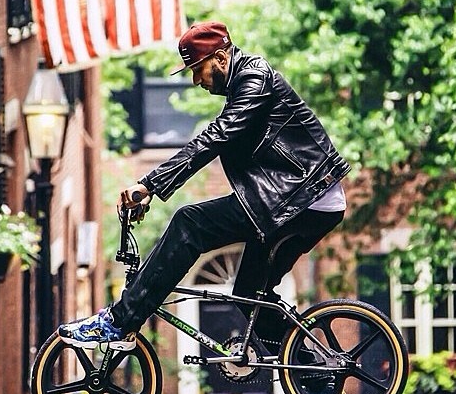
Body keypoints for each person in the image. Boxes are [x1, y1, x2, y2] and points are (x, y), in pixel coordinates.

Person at [59, 21, 351, 352]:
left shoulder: (256, 79)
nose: (196, 81)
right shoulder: (243, 83)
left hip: (301, 199)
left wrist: (149, 185)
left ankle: (120, 321)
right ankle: (314, 375)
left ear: (222, 58)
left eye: (199, 69)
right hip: (292, 200)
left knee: (190, 224)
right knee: (249, 295)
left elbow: (215, 138)